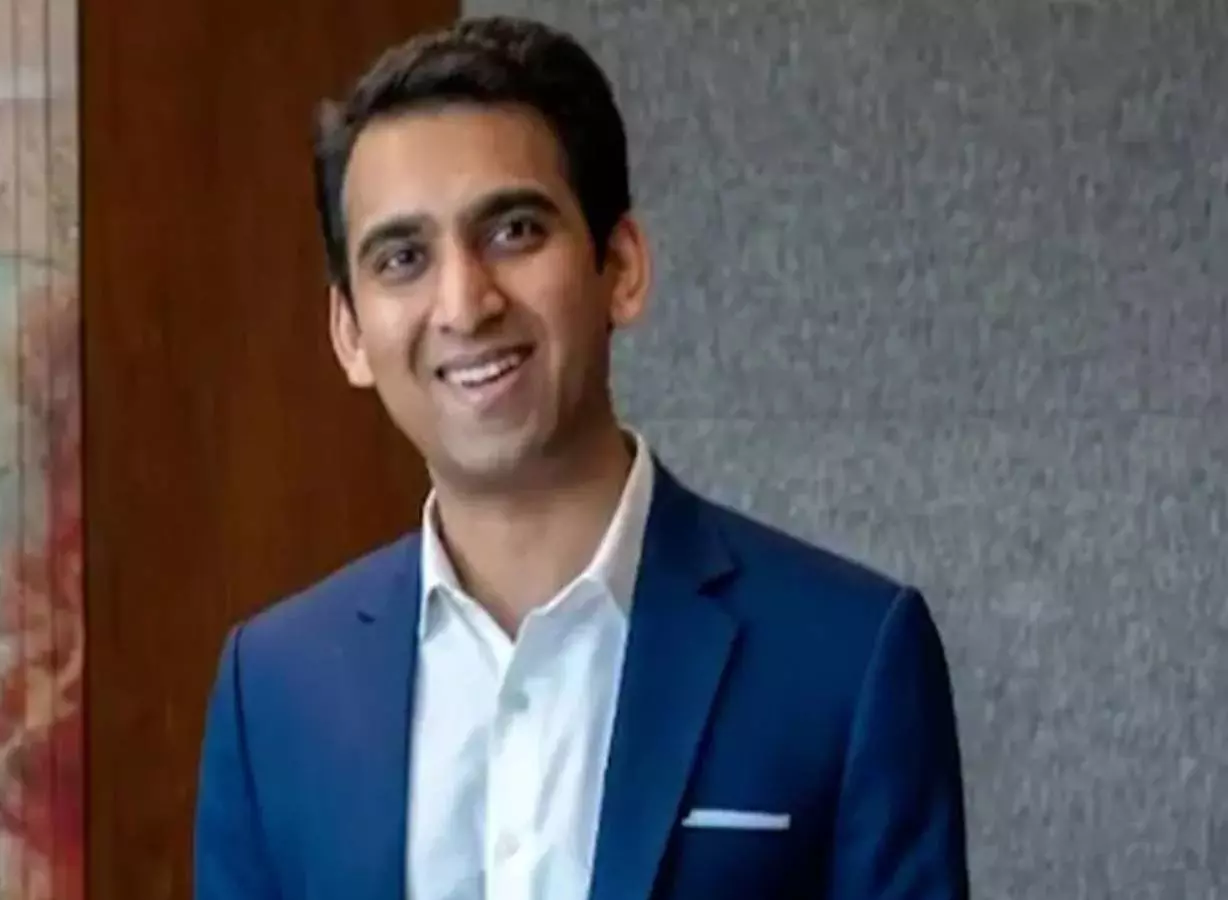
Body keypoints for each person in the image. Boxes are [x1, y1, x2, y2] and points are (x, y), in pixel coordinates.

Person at [194, 15, 969, 900]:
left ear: (622, 267)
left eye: (514, 231)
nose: (464, 304)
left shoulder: (848, 657)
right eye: (403, 257)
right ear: (350, 333)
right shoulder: (272, 690)